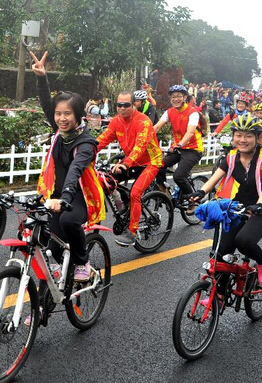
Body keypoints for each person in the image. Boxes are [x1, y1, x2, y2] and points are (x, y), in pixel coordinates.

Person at [189, 113, 262, 300]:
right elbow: (215, 177)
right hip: (236, 207)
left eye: (248, 136)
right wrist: (200, 192)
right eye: (239, 135)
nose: (243, 140)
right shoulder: (231, 157)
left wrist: (259, 205)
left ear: (258, 138)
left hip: (261, 209)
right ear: (233, 137)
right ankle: (219, 296)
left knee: (244, 241)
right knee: (220, 253)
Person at [31, 51, 105, 283]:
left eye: (67, 114)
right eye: (58, 114)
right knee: (49, 247)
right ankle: (40, 311)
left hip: (79, 196)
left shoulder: (86, 143)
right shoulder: (58, 133)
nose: (61, 118)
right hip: (54, 195)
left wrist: (64, 198)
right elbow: (46, 103)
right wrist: (42, 78)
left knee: (67, 221)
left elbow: (74, 171)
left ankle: (83, 261)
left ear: (78, 116)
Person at [97, 91, 164, 246]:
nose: (121, 108)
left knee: (135, 193)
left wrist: (125, 163)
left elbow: (140, 147)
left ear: (134, 105)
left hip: (150, 162)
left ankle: (132, 232)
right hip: (131, 161)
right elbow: (102, 140)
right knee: (106, 181)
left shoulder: (144, 122)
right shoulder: (116, 121)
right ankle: (126, 206)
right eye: (118, 105)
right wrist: (83, 152)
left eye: (125, 105)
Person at [154, 85, 203, 214]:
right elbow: (157, 126)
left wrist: (180, 144)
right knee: (158, 165)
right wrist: (142, 138)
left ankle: (194, 201)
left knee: (179, 176)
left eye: (179, 96)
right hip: (179, 148)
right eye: (173, 96)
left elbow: (191, 131)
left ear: (185, 97)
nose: (176, 99)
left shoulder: (192, 112)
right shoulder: (169, 112)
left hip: (193, 149)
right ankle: (163, 191)